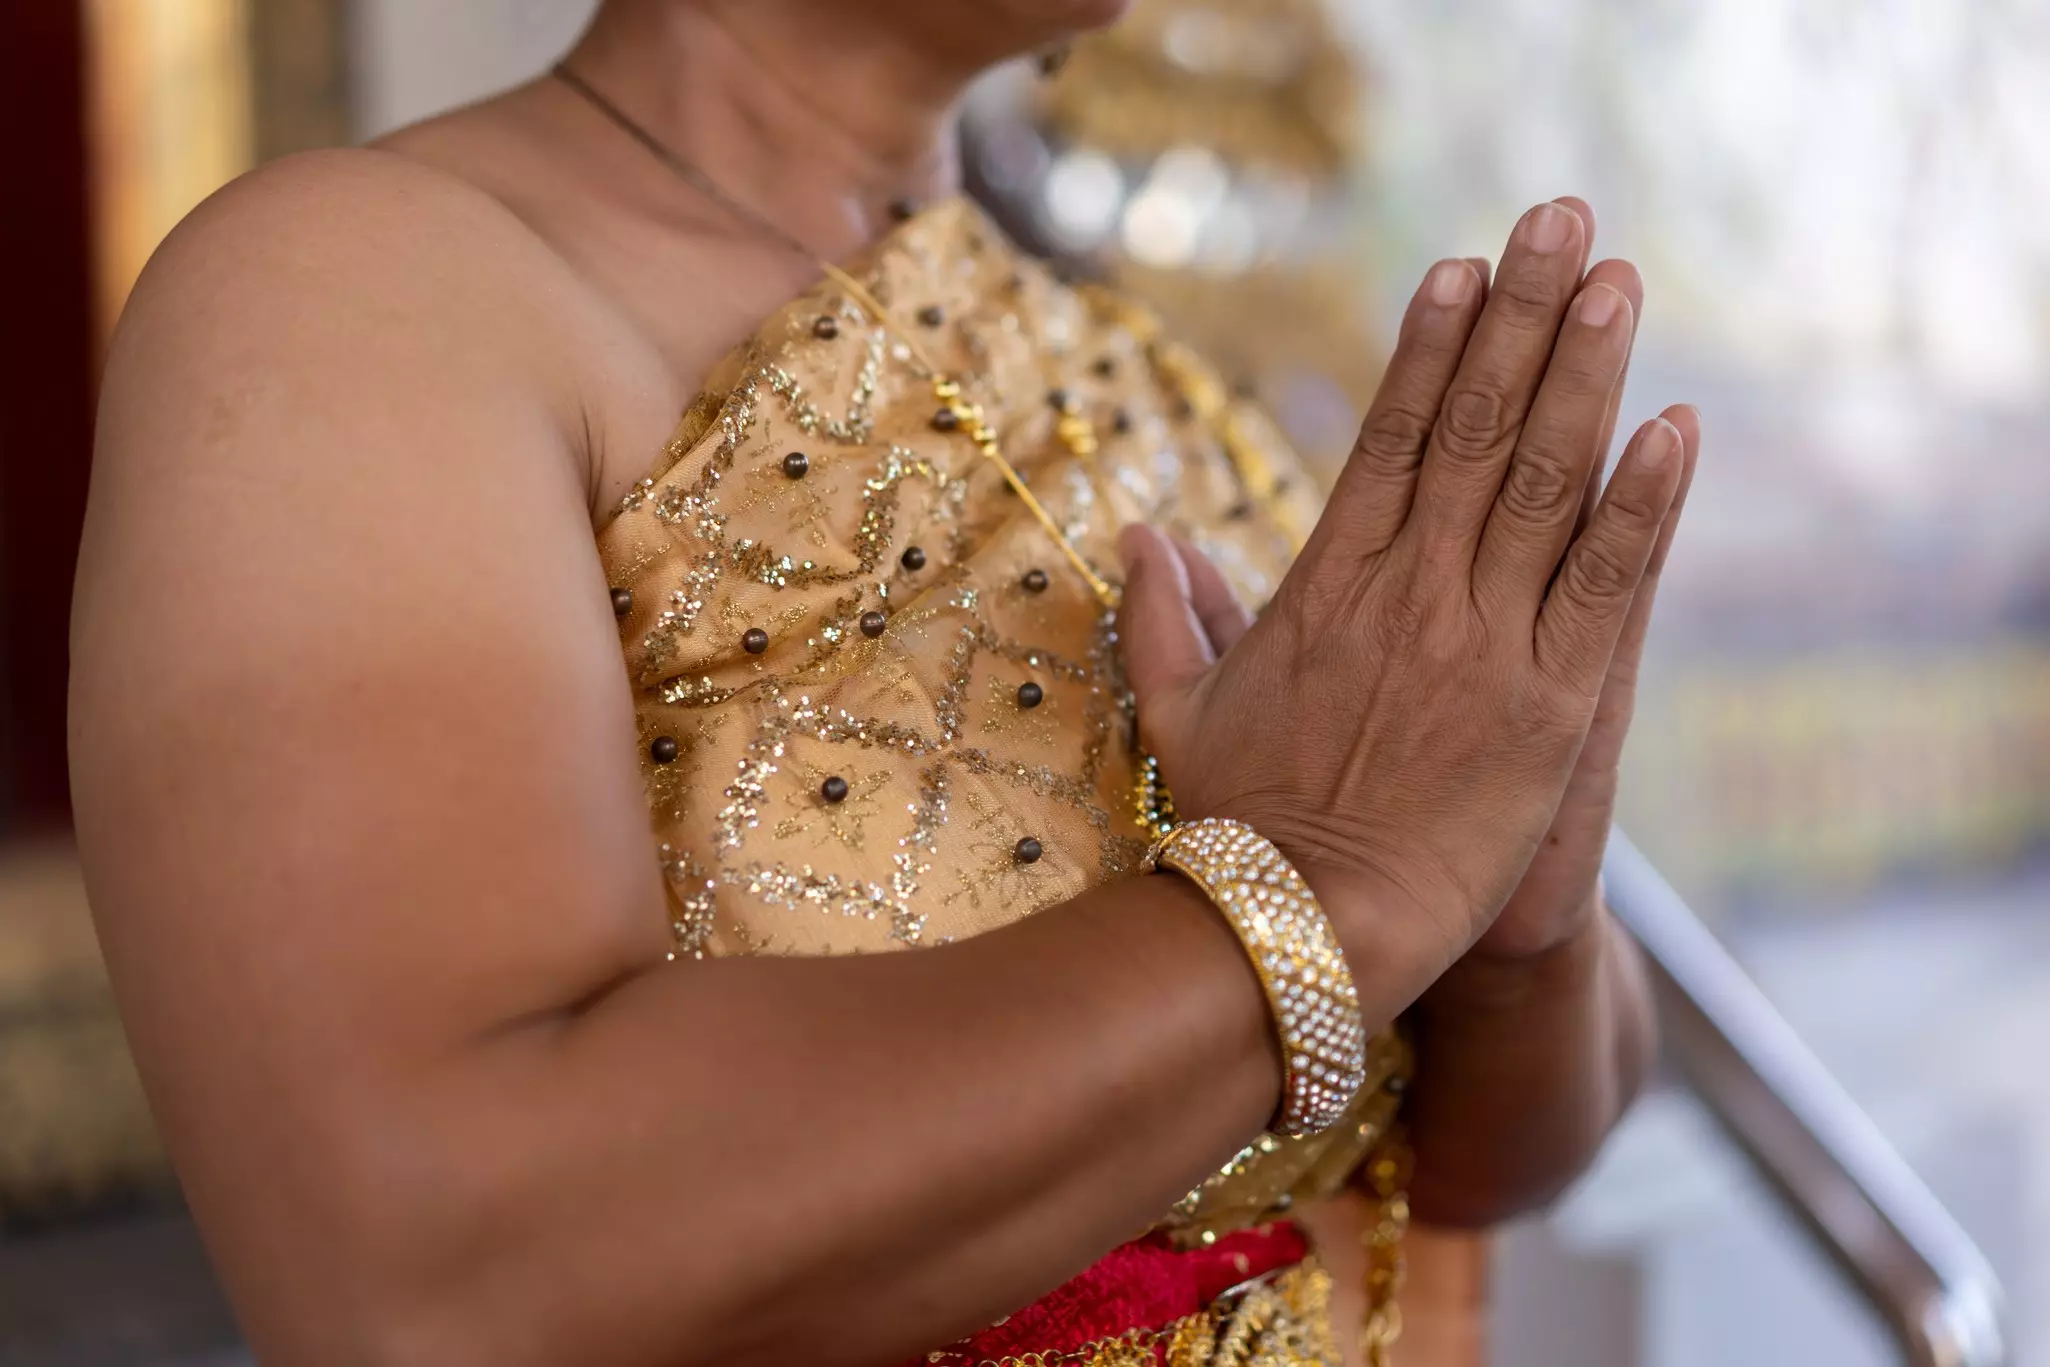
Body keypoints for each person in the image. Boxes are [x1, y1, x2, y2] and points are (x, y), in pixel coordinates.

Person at [70, 2, 1698, 1364]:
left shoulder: (1138, 383)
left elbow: (1483, 1153)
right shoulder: (356, 299)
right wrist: (1323, 890)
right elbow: (441, 1268)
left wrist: (1513, 923)